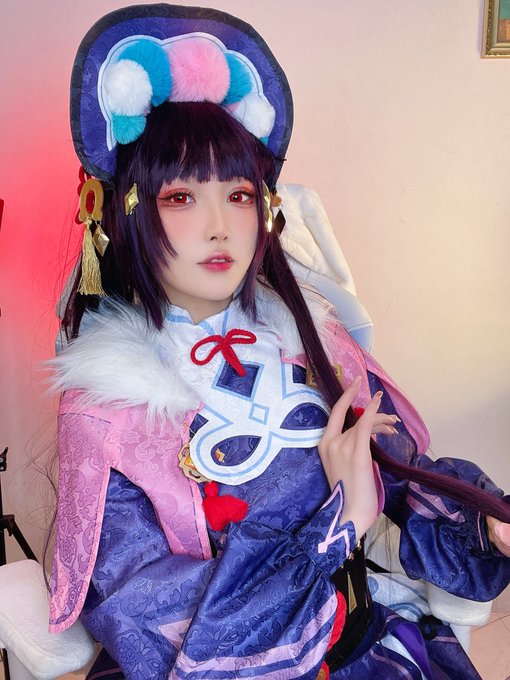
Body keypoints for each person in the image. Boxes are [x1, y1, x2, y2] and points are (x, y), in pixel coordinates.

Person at [49, 5, 510, 679]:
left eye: (238, 196)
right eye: (180, 197)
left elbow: (406, 476)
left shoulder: (315, 344)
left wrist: (486, 521)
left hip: (365, 651)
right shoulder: (107, 413)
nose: (219, 227)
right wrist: (338, 526)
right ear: (125, 213)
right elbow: (154, 622)